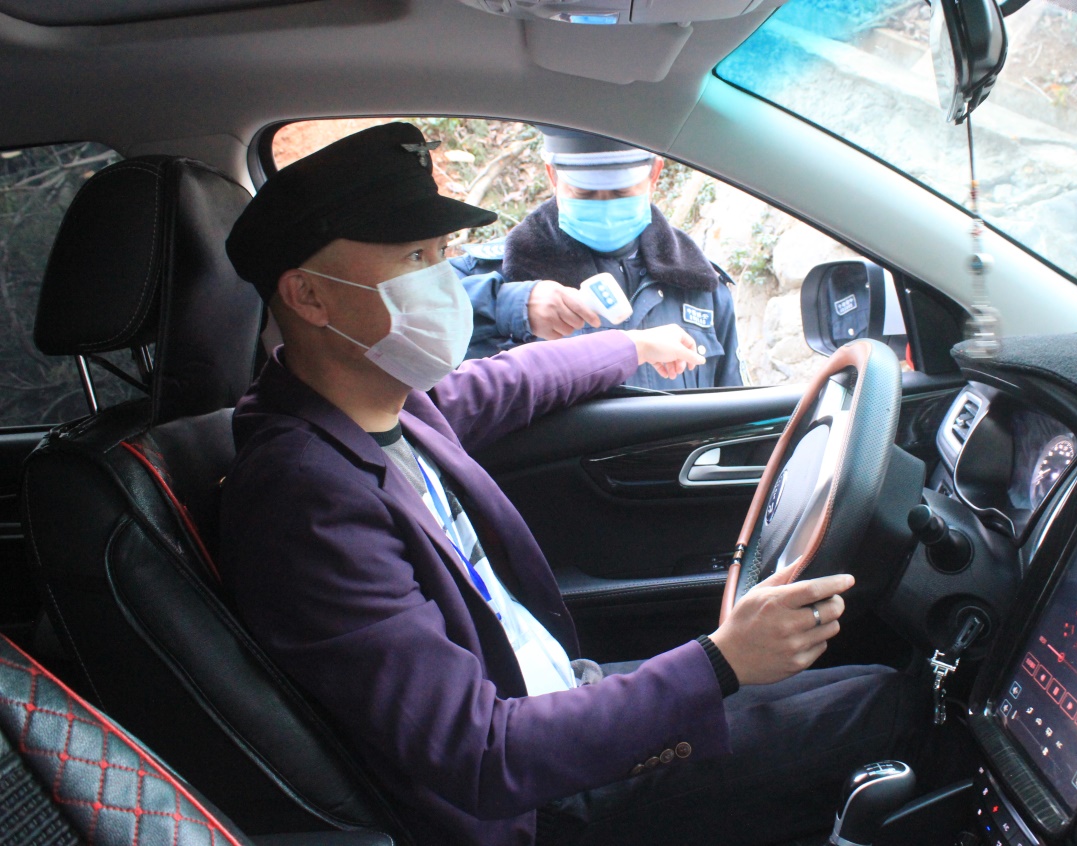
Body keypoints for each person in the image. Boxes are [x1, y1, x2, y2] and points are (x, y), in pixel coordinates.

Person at [220, 122, 918, 846]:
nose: (444, 280)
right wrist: (720, 661)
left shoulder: (382, 408)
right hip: (534, 799)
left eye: (443, 252)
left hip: (557, 700)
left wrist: (632, 345)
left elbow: (512, 379)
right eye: (415, 258)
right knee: (887, 708)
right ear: (309, 296)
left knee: (858, 677)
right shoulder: (304, 498)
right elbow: (480, 755)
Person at [452, 127, 745, 390]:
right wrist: (509, 304)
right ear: (552, 176)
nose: (605, 209)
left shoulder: (703, 287)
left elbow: (733, 414)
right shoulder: (495, 273)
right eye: (585, 193)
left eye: (622, 192)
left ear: (654, 174)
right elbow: (423, 318)